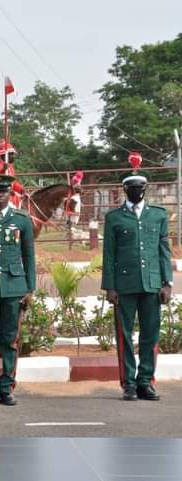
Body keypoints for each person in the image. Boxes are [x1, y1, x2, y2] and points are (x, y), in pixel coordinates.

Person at [102, 152, 173, 401]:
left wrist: (167, 282)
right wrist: (110, 287)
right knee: (124, 336)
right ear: (125, 190)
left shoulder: (158, 215)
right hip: (124, 284)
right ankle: (129, 384)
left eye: (140, 188)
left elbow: (164, 251)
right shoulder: (114, 218)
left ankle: (145, 382)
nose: (137, 192)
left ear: (145, 189)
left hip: (152, 284)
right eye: (132, 188)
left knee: (150, 334)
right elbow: (109, 254)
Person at [0, 173, 35, 407]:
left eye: (4, 191)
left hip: (14, 287)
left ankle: (7, 387)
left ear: (10, 194)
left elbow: (28, 255)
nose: (0, 195)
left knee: (10, 340)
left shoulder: (22, 219)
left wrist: (30, 288)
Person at [0, 139, 25, 208]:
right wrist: (3, 170)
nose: (13, 156)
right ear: (5, 155)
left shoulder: (11, 167)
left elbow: (14, 183)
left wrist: (21, 189)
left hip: (10, 194)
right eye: (11, 154)